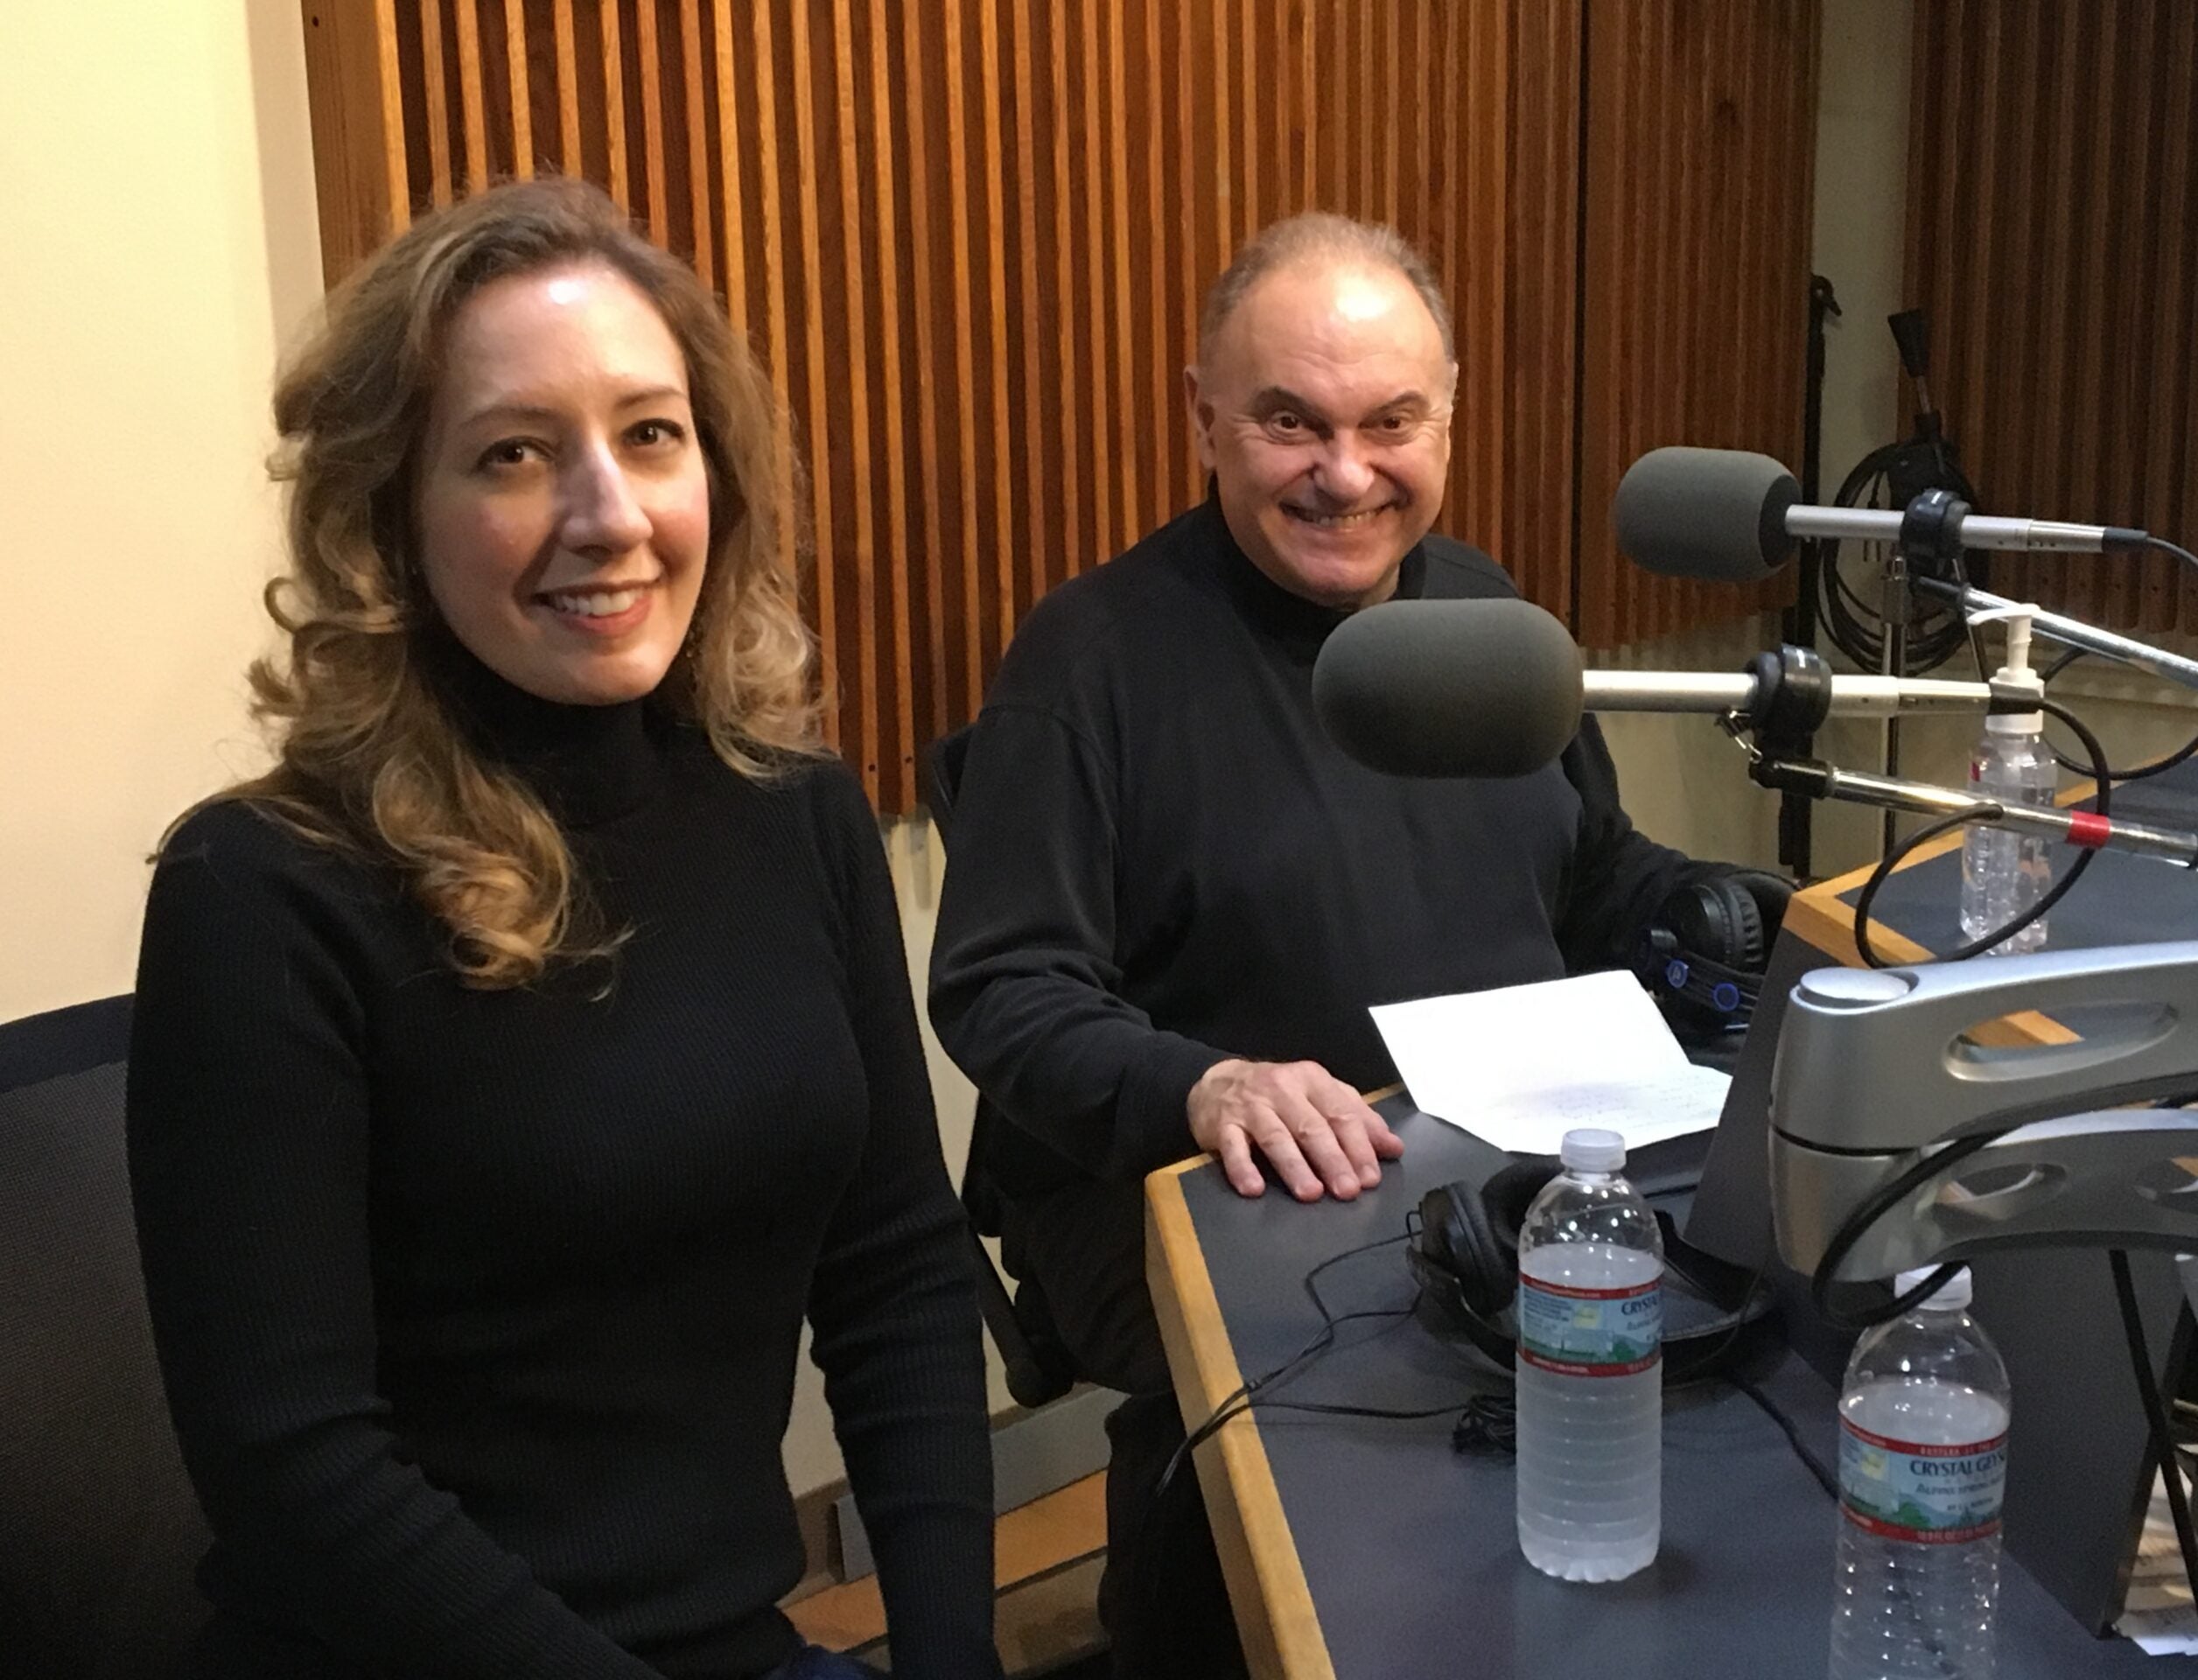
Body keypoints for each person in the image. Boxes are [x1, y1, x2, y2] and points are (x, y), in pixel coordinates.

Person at [127, 178, 999, 1680]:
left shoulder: (793, 810)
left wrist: (950, 1657)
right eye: (516, 454)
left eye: (649, 435)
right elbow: (299, 1473)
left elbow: (898, 1276)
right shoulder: (262, 894)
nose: (609, 516)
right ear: (392, 518)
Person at [928, 212, 1730, 1677]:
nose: (1346, 474)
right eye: (1291, 422)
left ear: (1448, 415)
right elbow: (1000, 985)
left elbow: (1593, 874)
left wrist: (1729, 921)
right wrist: (1207, 1085)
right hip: (1186, 1183)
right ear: (1205, 419)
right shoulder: (1091, 656)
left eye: (1391, 423)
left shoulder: (1486, 622)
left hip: (1493, 1154)